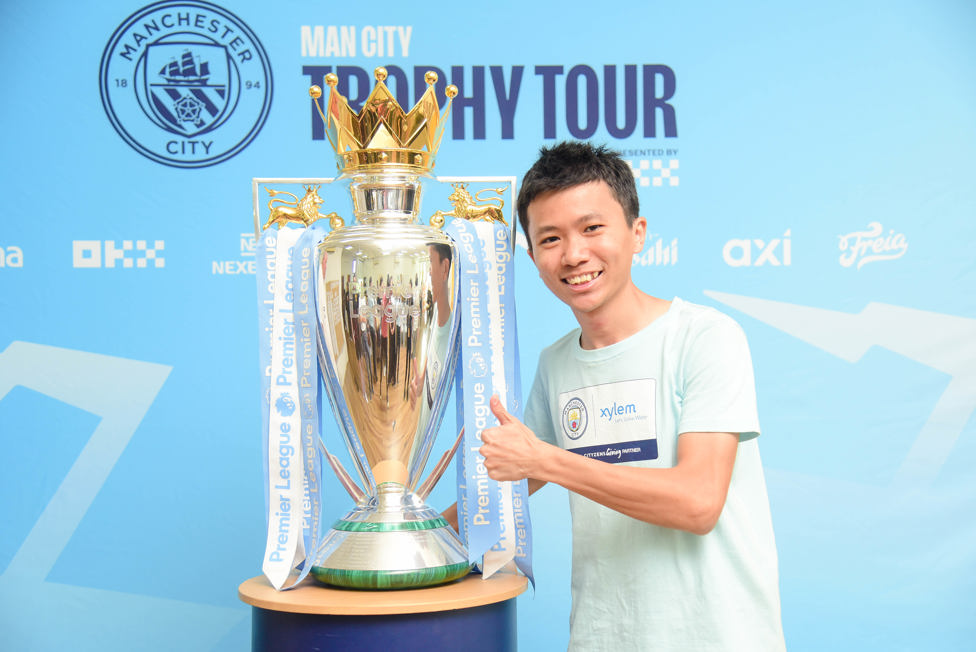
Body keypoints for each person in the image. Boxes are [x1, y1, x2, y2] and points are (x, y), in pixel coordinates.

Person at [475, 141, 785, 650]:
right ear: (531, 257)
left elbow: (698, 504)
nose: (574, 254)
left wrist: (549, 461)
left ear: (637, 234)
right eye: (550, 238)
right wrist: (396, 532)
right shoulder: (556, 363)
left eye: (592, 228)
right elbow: (505, 487)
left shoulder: (705, 337)